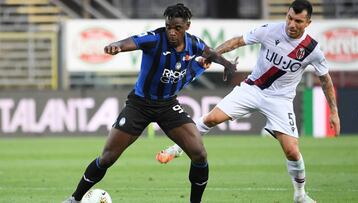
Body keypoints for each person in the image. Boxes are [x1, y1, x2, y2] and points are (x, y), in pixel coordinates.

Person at [156, 1, 340, 203]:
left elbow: (325, 80)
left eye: (298, 21)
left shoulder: (312, 49)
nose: (291, 24)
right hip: (252, 88)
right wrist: (211, 55)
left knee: (292, 151)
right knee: (211, 118)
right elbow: (237, 41)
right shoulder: (270, 30)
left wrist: (333, 111)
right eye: (289, 18)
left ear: (308, 23)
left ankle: (300, 195)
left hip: (280, 100)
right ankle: (178, 148)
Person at [62, 3, 236, 203]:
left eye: (177, 28)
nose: (171, 32)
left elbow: (210, 52)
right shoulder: (155, 38)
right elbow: (132, 42)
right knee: (107, 157)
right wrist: (117, 46)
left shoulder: (194, 43)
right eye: (169, 26)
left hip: (168, 106)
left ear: (187, 26)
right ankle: (75, 199)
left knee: (199, 155)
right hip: (139, 105)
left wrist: (227, 64)